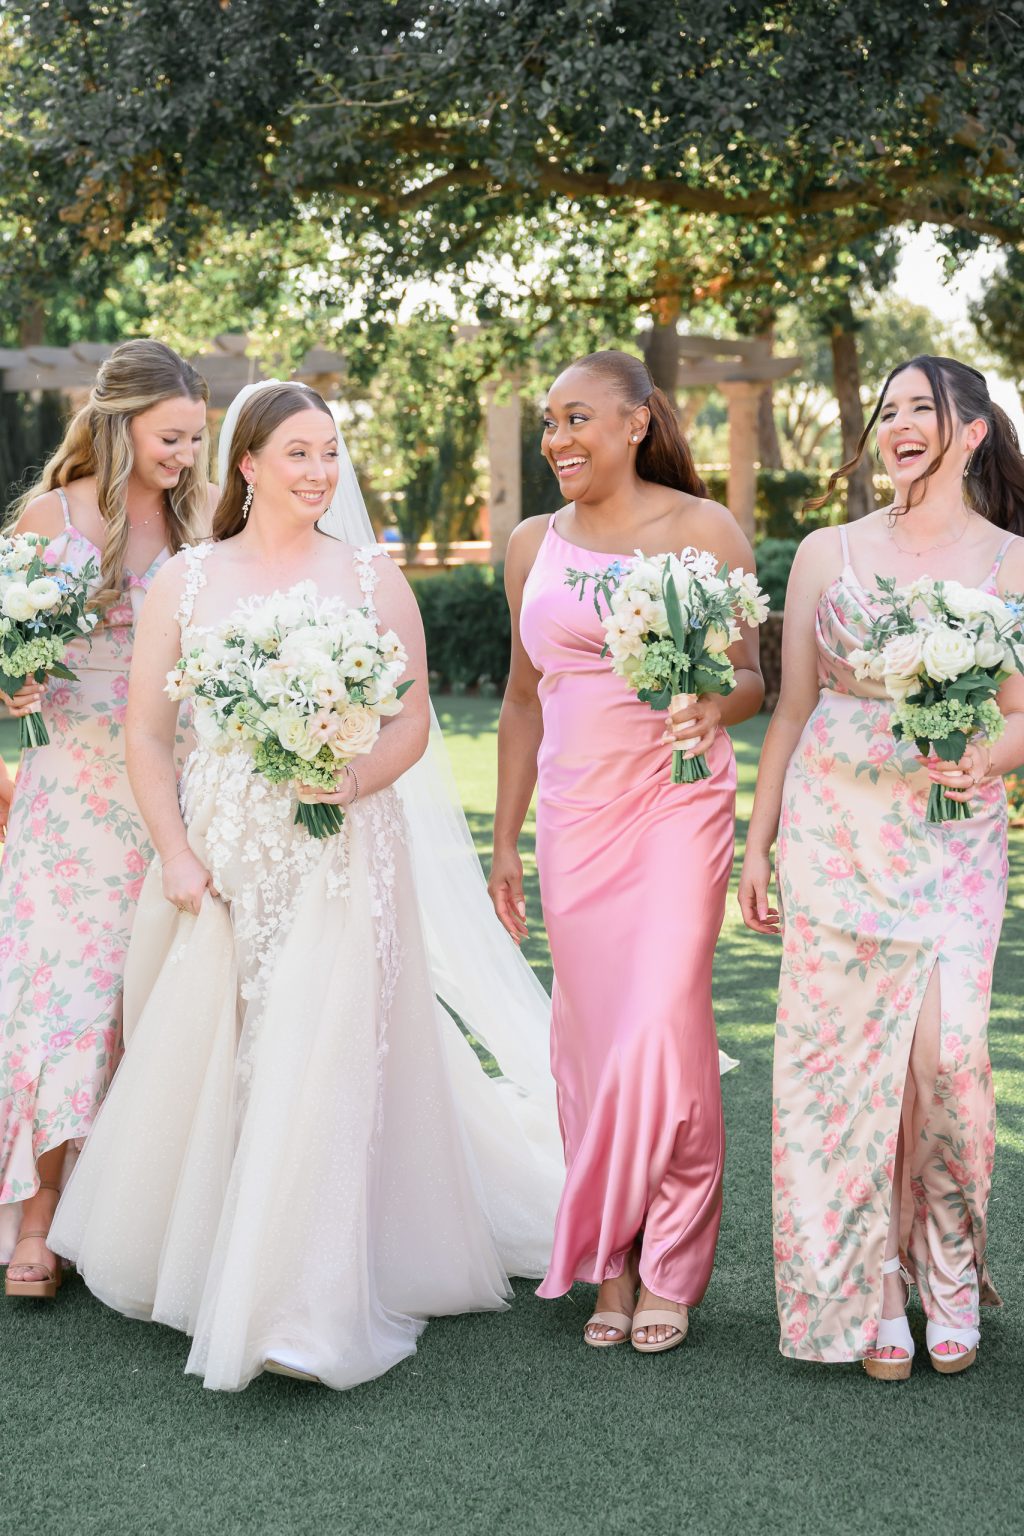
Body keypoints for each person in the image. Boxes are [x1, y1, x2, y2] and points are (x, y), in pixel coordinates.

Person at [50, 380, 564, 1390]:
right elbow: (148, 734)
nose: (321, 472)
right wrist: (178, 855)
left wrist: (353, 773)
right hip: (224, 853)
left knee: (323, 1051)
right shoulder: (187, 583)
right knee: (233, 1049)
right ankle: (216, 1255)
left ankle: (302, 1302)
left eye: (331, 452)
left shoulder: (369, 577)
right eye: (298, 452)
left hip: (341, 852)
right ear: (244, 464)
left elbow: (410, 721)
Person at [740, 356, 1024, 1378]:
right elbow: (791, 706)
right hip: (833, 828)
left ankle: (948, 1268)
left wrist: (986, 753)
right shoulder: (829, 551)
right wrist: (758, 836)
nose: (900, 426)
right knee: (839, 1072)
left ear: (975, 431)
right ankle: (868, 1291)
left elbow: (1021, 715)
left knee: (946, 1066)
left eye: (924, 410)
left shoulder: (1013, 564)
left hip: (952, 836)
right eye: (888, 411)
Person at [490, 349, 761, 1352]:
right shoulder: (532, 544)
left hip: (677, 809)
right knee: (594, 1041)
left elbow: (751, 677)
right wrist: (507, 841)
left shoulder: (702, 530)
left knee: (658, 1022)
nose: (558, 438)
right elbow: (522, 701)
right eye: (549, 422)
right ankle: (611, 1261)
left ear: (636, 422)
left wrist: (710, 701)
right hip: (573, 821)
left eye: (577, 419)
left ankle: (671, 1261)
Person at [1, 339, 213, 1299]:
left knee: (148, 1000)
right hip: (69, 791)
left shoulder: (197, 517)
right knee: (65, 998)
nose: (185, 455)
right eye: (172, 437)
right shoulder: (55, 514)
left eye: (198, 439)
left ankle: (121, 1216)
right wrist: (13, 684)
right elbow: (9, 647)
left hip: (169, 786)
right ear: (120, 421)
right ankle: (38, 1221)